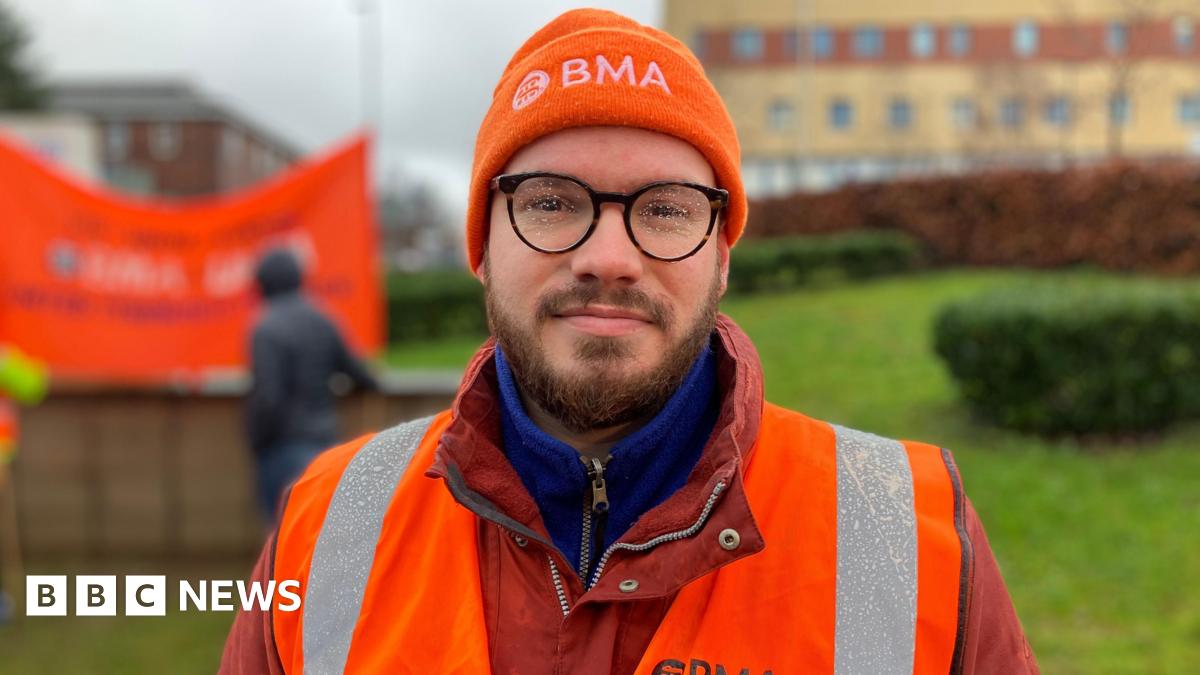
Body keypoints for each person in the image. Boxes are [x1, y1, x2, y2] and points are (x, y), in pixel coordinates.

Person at [222, 9, 1039, 674]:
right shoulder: (325, 522)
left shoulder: (909, 531)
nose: (607, 258)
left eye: (667, 208)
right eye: (549, 202)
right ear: (480, 245)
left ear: (721, 256)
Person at [245, 247, 377, 523]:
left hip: (282, 448)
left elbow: (269, 398)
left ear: (263, 284)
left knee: (282, 541)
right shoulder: (322, 319)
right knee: (320, 538)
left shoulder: (266, 328)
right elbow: (362, 376)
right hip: (326, 443)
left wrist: (256, 440)